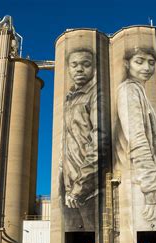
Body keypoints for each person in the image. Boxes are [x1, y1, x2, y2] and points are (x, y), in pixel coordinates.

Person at [114, 46, 156, 223]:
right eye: (139, 62)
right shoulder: (129, 91)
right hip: (140, 185)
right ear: (127, 64)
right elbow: (137, 140)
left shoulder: (139, 92)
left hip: (143, 181)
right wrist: (151, 191)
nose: (146, 68)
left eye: (151, 63)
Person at [59, 47, 98, 231]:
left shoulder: (96, 95)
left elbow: (99, 143)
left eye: (86, 64)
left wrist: (79, 188)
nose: (79, 69)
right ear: (68, 69)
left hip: (88, 192)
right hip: (71, 191)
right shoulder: (70, 99)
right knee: (71, 238)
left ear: (95, 68)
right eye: (74, 65)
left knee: (98, 240)